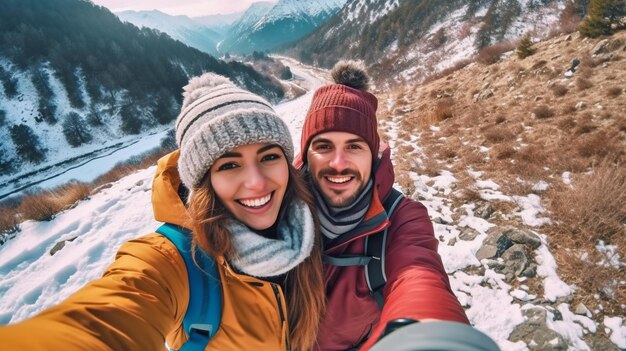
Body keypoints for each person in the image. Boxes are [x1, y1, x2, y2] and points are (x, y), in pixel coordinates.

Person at [0, 73, 325, 350]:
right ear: (203, 183)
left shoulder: (306, 224)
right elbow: (105, 320)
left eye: (269, 156)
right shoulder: (172, 261)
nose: (256, 182)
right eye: (229, 165)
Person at [294, 61, 471, 351]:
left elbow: (419, 280)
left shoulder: (401, 219)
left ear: (373, 155)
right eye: (323, 146)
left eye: (354, 146)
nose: (338, 164)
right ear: (306, 155)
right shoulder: (276, 208)